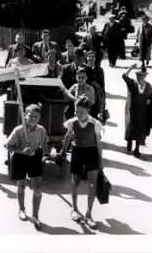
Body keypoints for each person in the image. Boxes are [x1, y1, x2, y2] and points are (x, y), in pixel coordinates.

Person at [60, 96, 104, 228]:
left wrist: (100, 160)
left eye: (81, 112)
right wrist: (62, 151)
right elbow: (67, 137)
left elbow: (99, 143)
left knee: (92, 185)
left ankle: (89, 213)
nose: (77, 114)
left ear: (88, 111)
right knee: (75, 182)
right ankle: (74, 209)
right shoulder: (71, 123)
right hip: (77, 152)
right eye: (76, 111)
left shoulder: (95, 123)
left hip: (91, 153)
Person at [5, 103, 48, 229]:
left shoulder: (41, 130)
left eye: (36, 116)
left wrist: (46, 154)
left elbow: (45, 144)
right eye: (30, 116)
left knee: (38, 188)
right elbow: (8, 146)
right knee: (21, 185)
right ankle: (22, 209)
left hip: (35, 157)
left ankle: (35, 215)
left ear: (39, 118)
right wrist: (21, 150)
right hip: (20, 157)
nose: (33, 119)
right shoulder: (18, 130)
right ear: (25, 115)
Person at [122, 64, 152, 158]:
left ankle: (137, 149)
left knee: (140, 129)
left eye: (142, 75)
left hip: (142, 111)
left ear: (145, 76)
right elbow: (124, 76)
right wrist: (131, 68)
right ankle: (129, 142)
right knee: (130, 126)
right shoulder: (132, 83)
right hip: (131, 109)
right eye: (138, 75)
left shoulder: (149, 86)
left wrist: (150, 101)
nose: (140, 77)